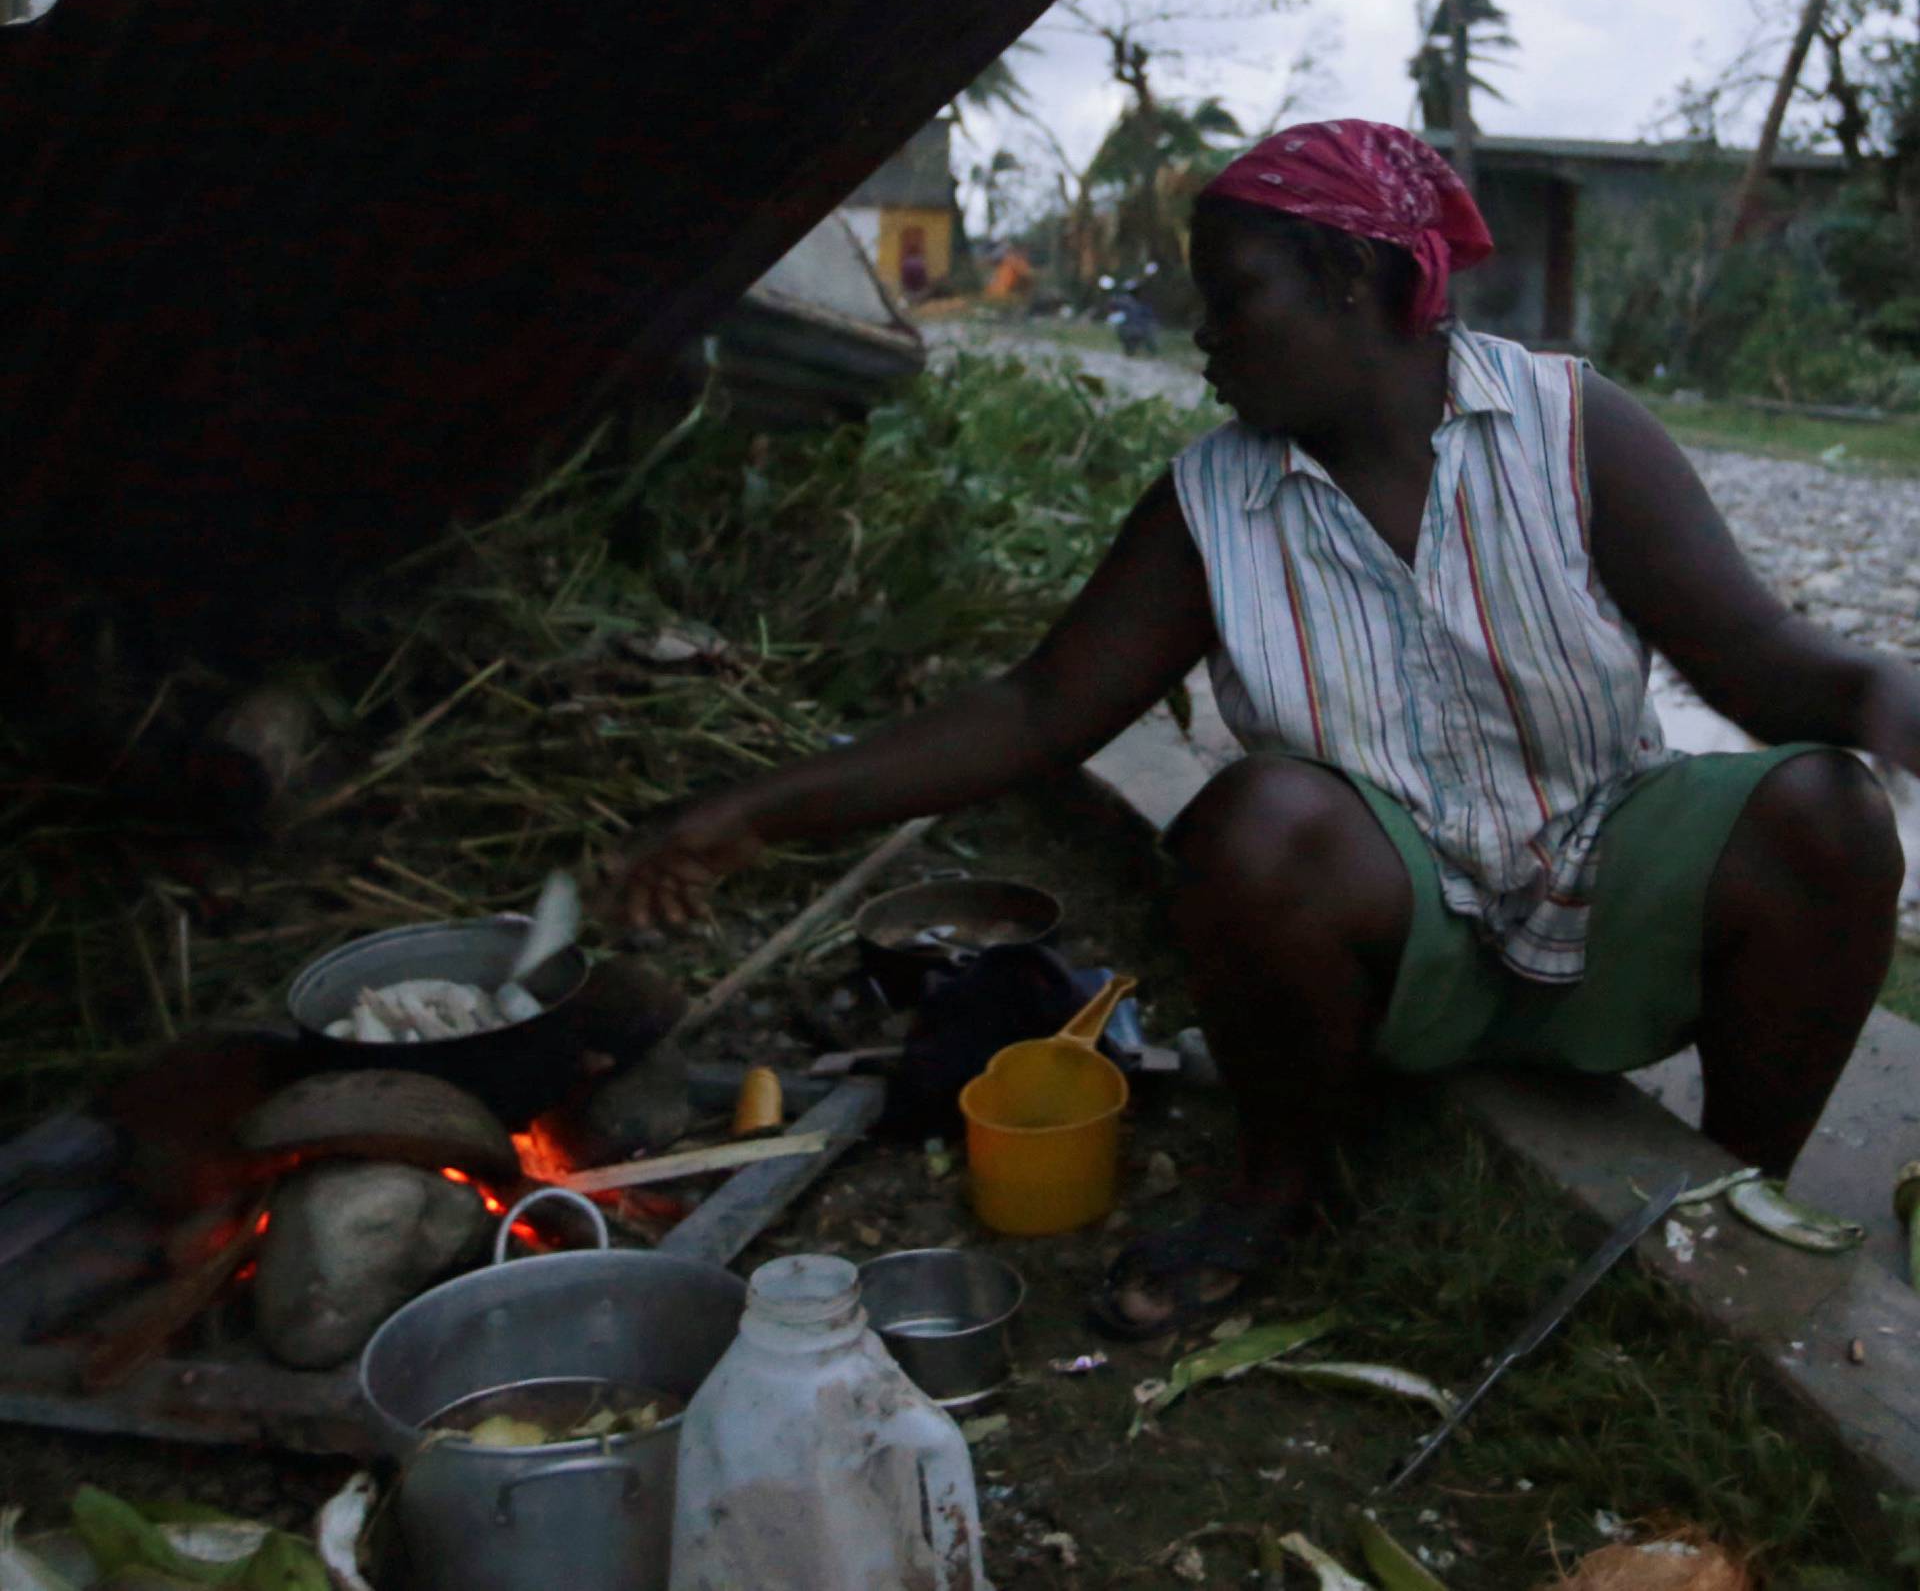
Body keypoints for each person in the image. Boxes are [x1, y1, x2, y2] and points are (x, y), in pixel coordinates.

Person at [623, 120, 1914, 1337]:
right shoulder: (1212, 503)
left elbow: (1753, 655)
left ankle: (1740, 1201)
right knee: (1254, 821)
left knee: (1829, 813)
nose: (1204, 337)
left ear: (1353, 277)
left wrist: (1874, 694)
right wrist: (756, 807)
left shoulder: (1574, 431)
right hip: (1400, 935)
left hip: (1599, 875)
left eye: (1233, 295)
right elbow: (1035, 708)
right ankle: (1276, 1179)